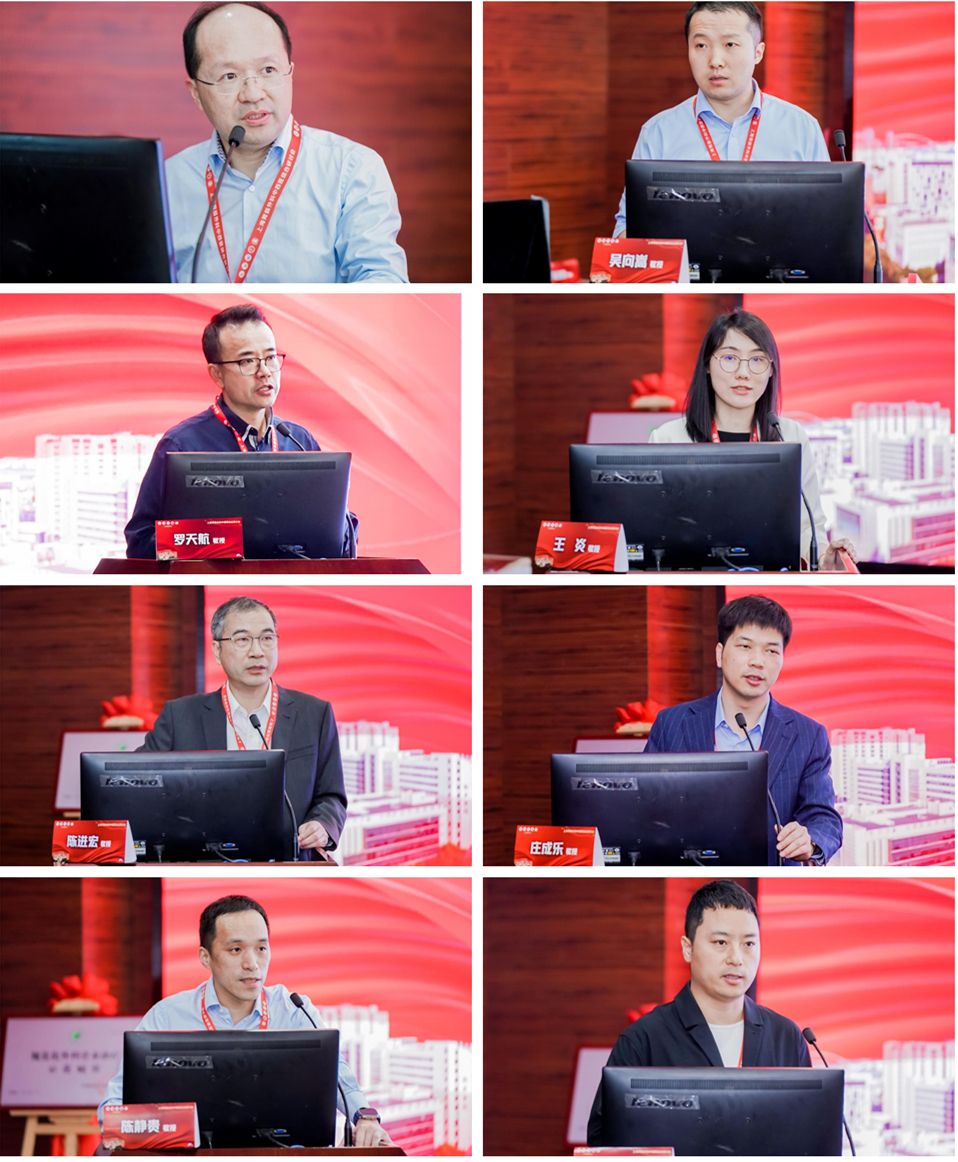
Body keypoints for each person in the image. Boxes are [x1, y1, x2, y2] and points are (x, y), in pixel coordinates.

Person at [99, 895, 392, 1148]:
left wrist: (365, 1118)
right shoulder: (167, 1016)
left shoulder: (293, 1009)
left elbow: (340, 1080)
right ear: (205, 957)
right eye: (236, 950)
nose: (252, 964)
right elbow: (112, 1108)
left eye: (261, 948)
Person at [168, 1, 408, 283]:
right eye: (229, 76)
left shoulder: (352, 169)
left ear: (290, 73)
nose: (253, 94)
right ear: (196, 93)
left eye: (268, 70)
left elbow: (384, 285)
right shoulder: (167, 184)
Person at [124, 303, 358, 559]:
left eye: (270, 358)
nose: (264, 372)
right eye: (247, 361)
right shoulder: (182, 444)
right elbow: (140, 541)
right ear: (217, 374)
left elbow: (335, 535)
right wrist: (222, 539)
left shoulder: (298, 441)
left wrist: (341, 529)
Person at [587, 879, 810, 1144]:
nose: (736, 958)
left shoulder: (786, 1037)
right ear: (688, 948)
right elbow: (604, 1142)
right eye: (720, 942)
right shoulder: (643, 1040)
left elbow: (808, 1134)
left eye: (749, 944)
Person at [139, 595, 347, 858]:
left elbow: (331, 797)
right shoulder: (179, 716)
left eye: (267, 638)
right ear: (217, 650)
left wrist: (323, 825)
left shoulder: (314, 713)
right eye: (242, 639)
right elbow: (139, 786)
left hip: (289, 861)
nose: (257, 651)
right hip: (206, 862)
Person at [648, 308, 856, 570]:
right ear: (707, 365)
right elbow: (655, 528)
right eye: (730, 358)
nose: (743, 373)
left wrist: (825, 557)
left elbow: (807, 527)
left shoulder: (790, 435)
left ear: (771, 371)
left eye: (757, 360)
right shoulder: (668, 437)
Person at [645, 594, 842, 865]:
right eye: (745, 646)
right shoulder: (672, 723)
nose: (757, 661)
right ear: (719, 654)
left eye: (771, 651)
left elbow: (824, 818)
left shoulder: (808, 735)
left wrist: (810, 840)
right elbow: (646, 804)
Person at [612, 1, 830, 235]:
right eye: (701, 45)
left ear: (757, 53)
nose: (715, 60)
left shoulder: (802, 129)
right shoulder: (659, 132)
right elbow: (627, 228)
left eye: (730, 44)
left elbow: (826, 223)